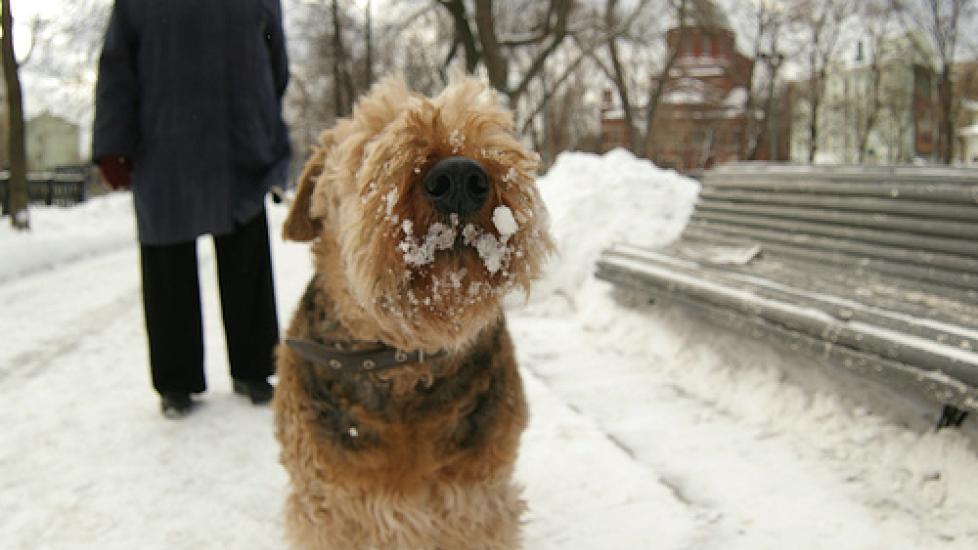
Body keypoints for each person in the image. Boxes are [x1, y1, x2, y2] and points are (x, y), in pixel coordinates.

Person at [93, 0, 291, 418]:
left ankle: (254, 368)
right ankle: (177, 380)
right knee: (170, 264)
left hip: (236, 138)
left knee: (246, 258)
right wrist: (113, 143)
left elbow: (275, 54)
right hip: (168, 137)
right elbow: (117, 65)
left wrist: (266, 119)